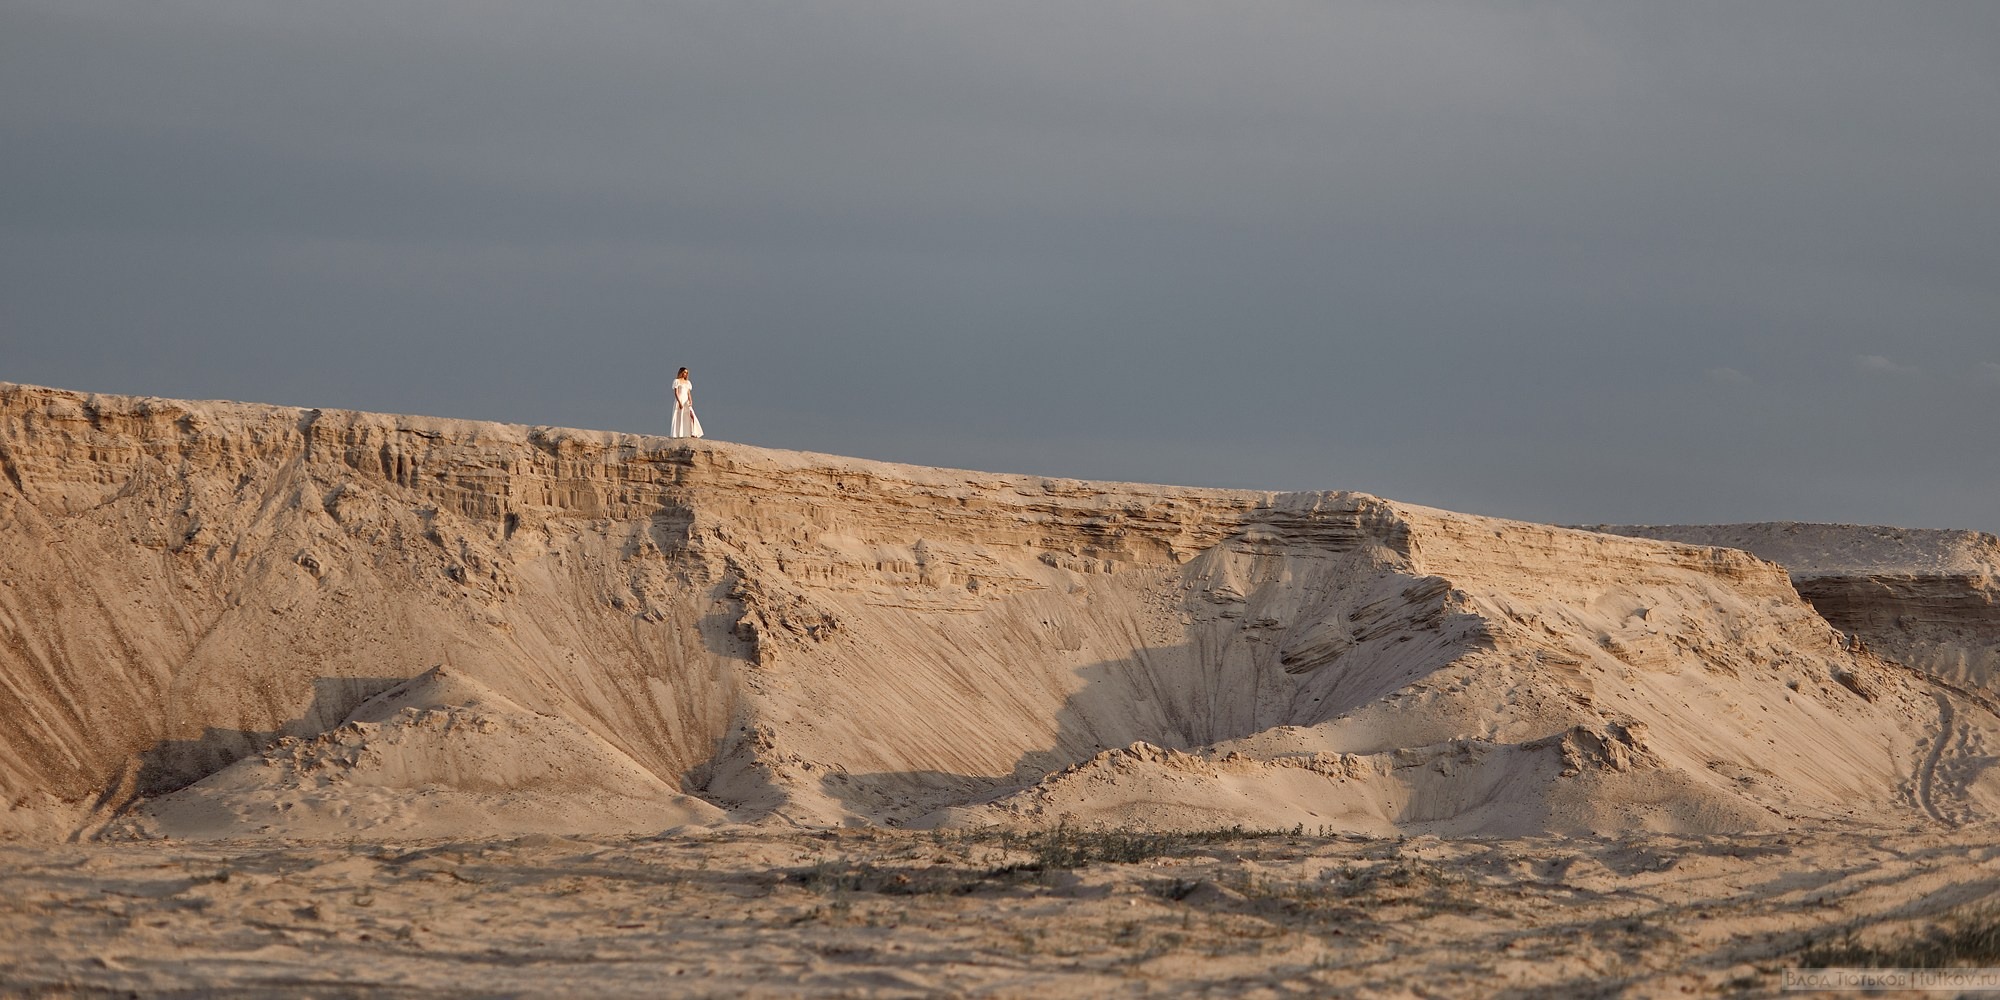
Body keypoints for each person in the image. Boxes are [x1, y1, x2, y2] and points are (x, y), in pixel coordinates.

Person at [670, 367, 703, 439]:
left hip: (686, 401)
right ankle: (680, 433)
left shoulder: (688, 382)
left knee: (692, 415)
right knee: (680, 416)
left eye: (687, 373)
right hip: (680, 400)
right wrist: (679, 402)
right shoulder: (677, 381)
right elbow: (676, 393)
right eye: (685, 372)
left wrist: (691, 400)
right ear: (681, 372)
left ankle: (693, 432)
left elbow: (688, 393)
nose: (686, 374)